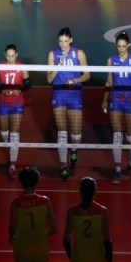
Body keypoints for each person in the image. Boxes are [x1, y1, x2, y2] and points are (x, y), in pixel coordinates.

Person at [102, 31, 131, 185]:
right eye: (118, 46)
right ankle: (118, 169)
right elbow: (109, 81)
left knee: (130, 134)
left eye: (123, 46)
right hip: (116, 98)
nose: (120, 49)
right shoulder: (111, 61)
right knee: (117, 134)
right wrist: (105, 99)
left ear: (128, 45)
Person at [47, 27, 90, 181]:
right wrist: (58, 65)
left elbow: (87, 75)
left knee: (76, 133)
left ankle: (74, 150)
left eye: (65, 41)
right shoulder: (53, 54)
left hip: (75, 94)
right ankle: (63, 165)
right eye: (60, 41)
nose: (63, 44)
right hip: (58, 94)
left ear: (71, 40)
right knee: (62, 132)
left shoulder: (79, 53)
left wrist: (75, 80)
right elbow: (49, 79)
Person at [0, 44, 31, 179]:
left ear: (17, 55)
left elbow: (28, 84)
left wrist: (20, 90)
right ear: (4, 54)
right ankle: (10, 150)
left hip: (17, 102)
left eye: (13, 56)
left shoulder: (22, 68)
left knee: (14, 133)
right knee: (4, 133)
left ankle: (12, 163)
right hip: (2, 102)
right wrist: (2, 90)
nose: (10, 58)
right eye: (8, 55)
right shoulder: (0, 66)